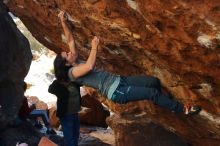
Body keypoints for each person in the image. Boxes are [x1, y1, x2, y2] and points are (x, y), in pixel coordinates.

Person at [54, 10, 201, 115]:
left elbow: (70, 40)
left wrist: (62, 21)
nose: (69, 52)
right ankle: (182, 109)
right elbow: (89, 66)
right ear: (66, 64)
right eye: (67, 55)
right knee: (151, 93)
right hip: (117, 92)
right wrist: (94, 47)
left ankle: (162, 101)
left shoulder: (74, 60)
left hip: (120, 80)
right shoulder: (72, 73)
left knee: (153, 82)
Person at [48, 80, 81, 146]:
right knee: (69, 137)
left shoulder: (74, 82)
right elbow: (50, 89)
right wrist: (59, 80)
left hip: (75, 113)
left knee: (76, 135)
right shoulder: (59, 85)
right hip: (66, 115)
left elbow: (83, 81)